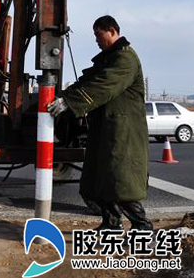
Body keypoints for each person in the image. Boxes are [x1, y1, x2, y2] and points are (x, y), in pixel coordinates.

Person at [48, 15, 153, 232]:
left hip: (123, 132)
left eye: (99, 34)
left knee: (121, 183)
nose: (96, 39)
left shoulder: (126, 59)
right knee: (95, 181)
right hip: (106, 129)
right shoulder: (109, 58)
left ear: (112, 31)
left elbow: (103, 85)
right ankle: (111, 224)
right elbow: (88, 81)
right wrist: (63, 96)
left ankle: (142, 227)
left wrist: (70, 101)